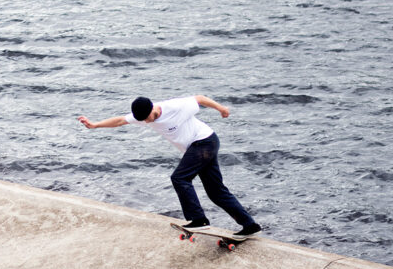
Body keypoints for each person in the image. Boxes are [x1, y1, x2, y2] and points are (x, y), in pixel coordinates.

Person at [78, 93, 261, 234]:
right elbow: (119, 120)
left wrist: (221, 108)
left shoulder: (175, 107)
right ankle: (250, 225)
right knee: (216, 191)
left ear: (153, 109)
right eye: (142, 119)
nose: (145, 122)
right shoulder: (142, 115)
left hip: (204, 142)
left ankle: (199, 220)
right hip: (200, 148)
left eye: (147, 118)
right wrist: (94, 125)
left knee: (179, 178)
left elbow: (200, 99)